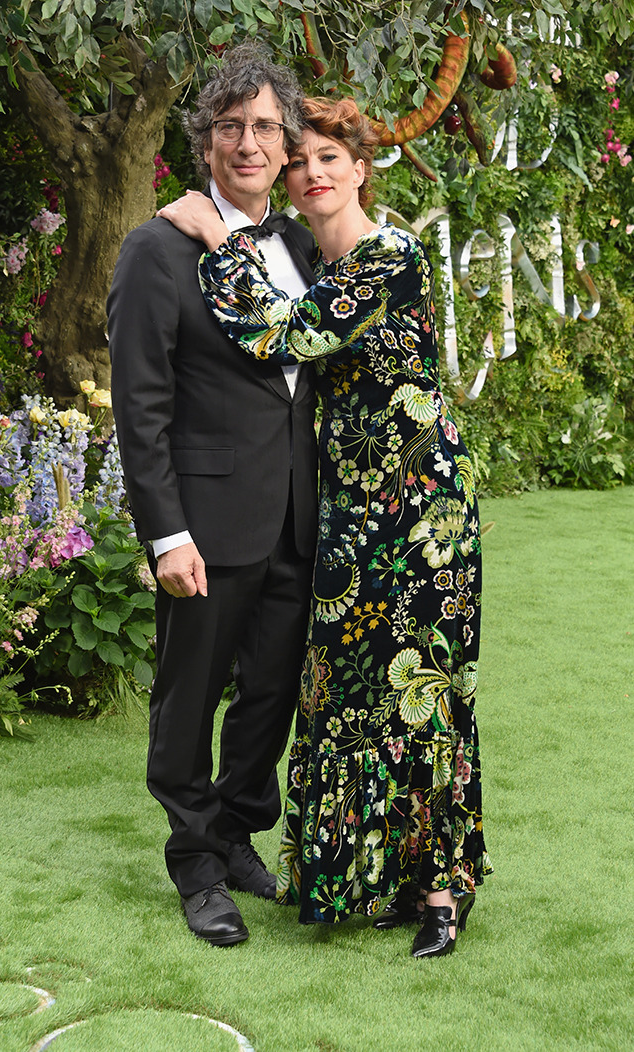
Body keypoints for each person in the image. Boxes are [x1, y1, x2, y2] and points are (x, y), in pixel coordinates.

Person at [158, 96, 493, 958]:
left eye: (329, 159)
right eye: (298, 159)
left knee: (425, 696)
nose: (310, 173)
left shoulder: (392, 258)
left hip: (422, 512)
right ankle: (372, 876)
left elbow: (282, 336)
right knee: (348, 695)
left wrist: (219, 239)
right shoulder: (308, 256)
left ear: (362, 167)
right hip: (345, 511)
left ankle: (442, 893)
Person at [107, 44, 319, 947]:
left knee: (270, 693)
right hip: (205, 523)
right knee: (189, 699)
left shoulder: (302, 245)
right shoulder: (156, 249)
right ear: (206, 140)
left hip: (294, 521)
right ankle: (195, 863)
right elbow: (140, 408)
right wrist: (167, 536)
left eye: (265, 126)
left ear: (285, 143)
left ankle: (233, 834)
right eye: (230, 125)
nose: (248, 143)